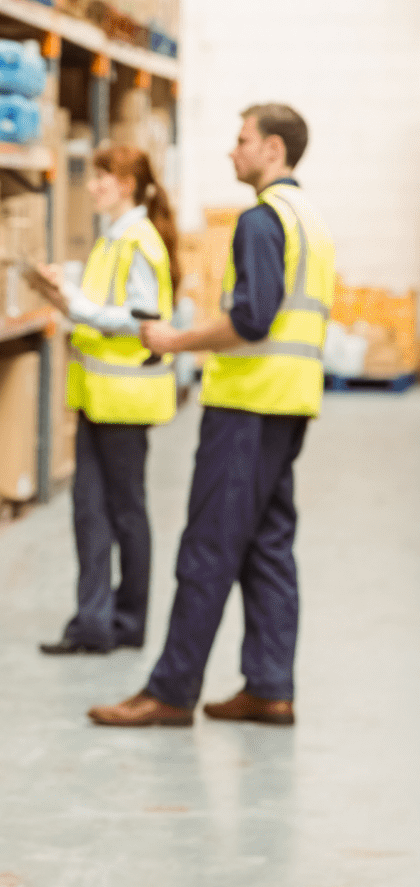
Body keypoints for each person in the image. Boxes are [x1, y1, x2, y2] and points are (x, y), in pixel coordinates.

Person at [88, 104, 334, 728]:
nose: (232, 151)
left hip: (246, 406)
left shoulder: (261, 221)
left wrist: (175, 341)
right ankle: (271, 687)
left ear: (273, 149)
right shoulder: (311, 219)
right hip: (288, 404)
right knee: (267, 548)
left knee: (208, 548)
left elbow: (251, 320)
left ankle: (170, 693)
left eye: (242, 140)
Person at [30, 146, 179, 656]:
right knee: (88, 510)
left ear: (129, 185)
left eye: (104, 178)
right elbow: (105, 305)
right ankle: (93, 623)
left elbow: (144, 317)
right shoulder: (112, 239)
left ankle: (130, 622)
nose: (93, 186)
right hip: (97, 395)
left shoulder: (138, 241)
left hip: (127, 397)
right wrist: (64, 290)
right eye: (94, 177)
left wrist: (75, 305)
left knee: (126, 511)